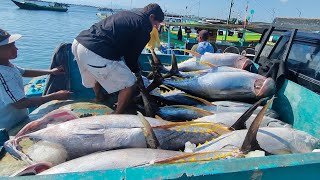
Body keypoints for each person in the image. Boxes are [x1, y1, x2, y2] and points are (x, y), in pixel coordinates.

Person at [72, 3, 164, 114]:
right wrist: (137, 74)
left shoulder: (129, 13)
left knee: (95, 74)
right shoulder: (144, 27)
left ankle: (98, 98)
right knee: (130, 83)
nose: (156, 27)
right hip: (95, 51)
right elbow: (131, 58)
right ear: (152, 17)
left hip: (79, 43)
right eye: (156, 23)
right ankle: (117, 115)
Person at [0, 29, 72, 130]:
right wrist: (54, 96)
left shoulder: (6, 63)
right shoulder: (2, 74)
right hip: (9, 126)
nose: (16, 49)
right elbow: (20, 103)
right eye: (9, 46)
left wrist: (50, 71)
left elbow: (24, 72)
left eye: (14, 44)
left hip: (20, 119)